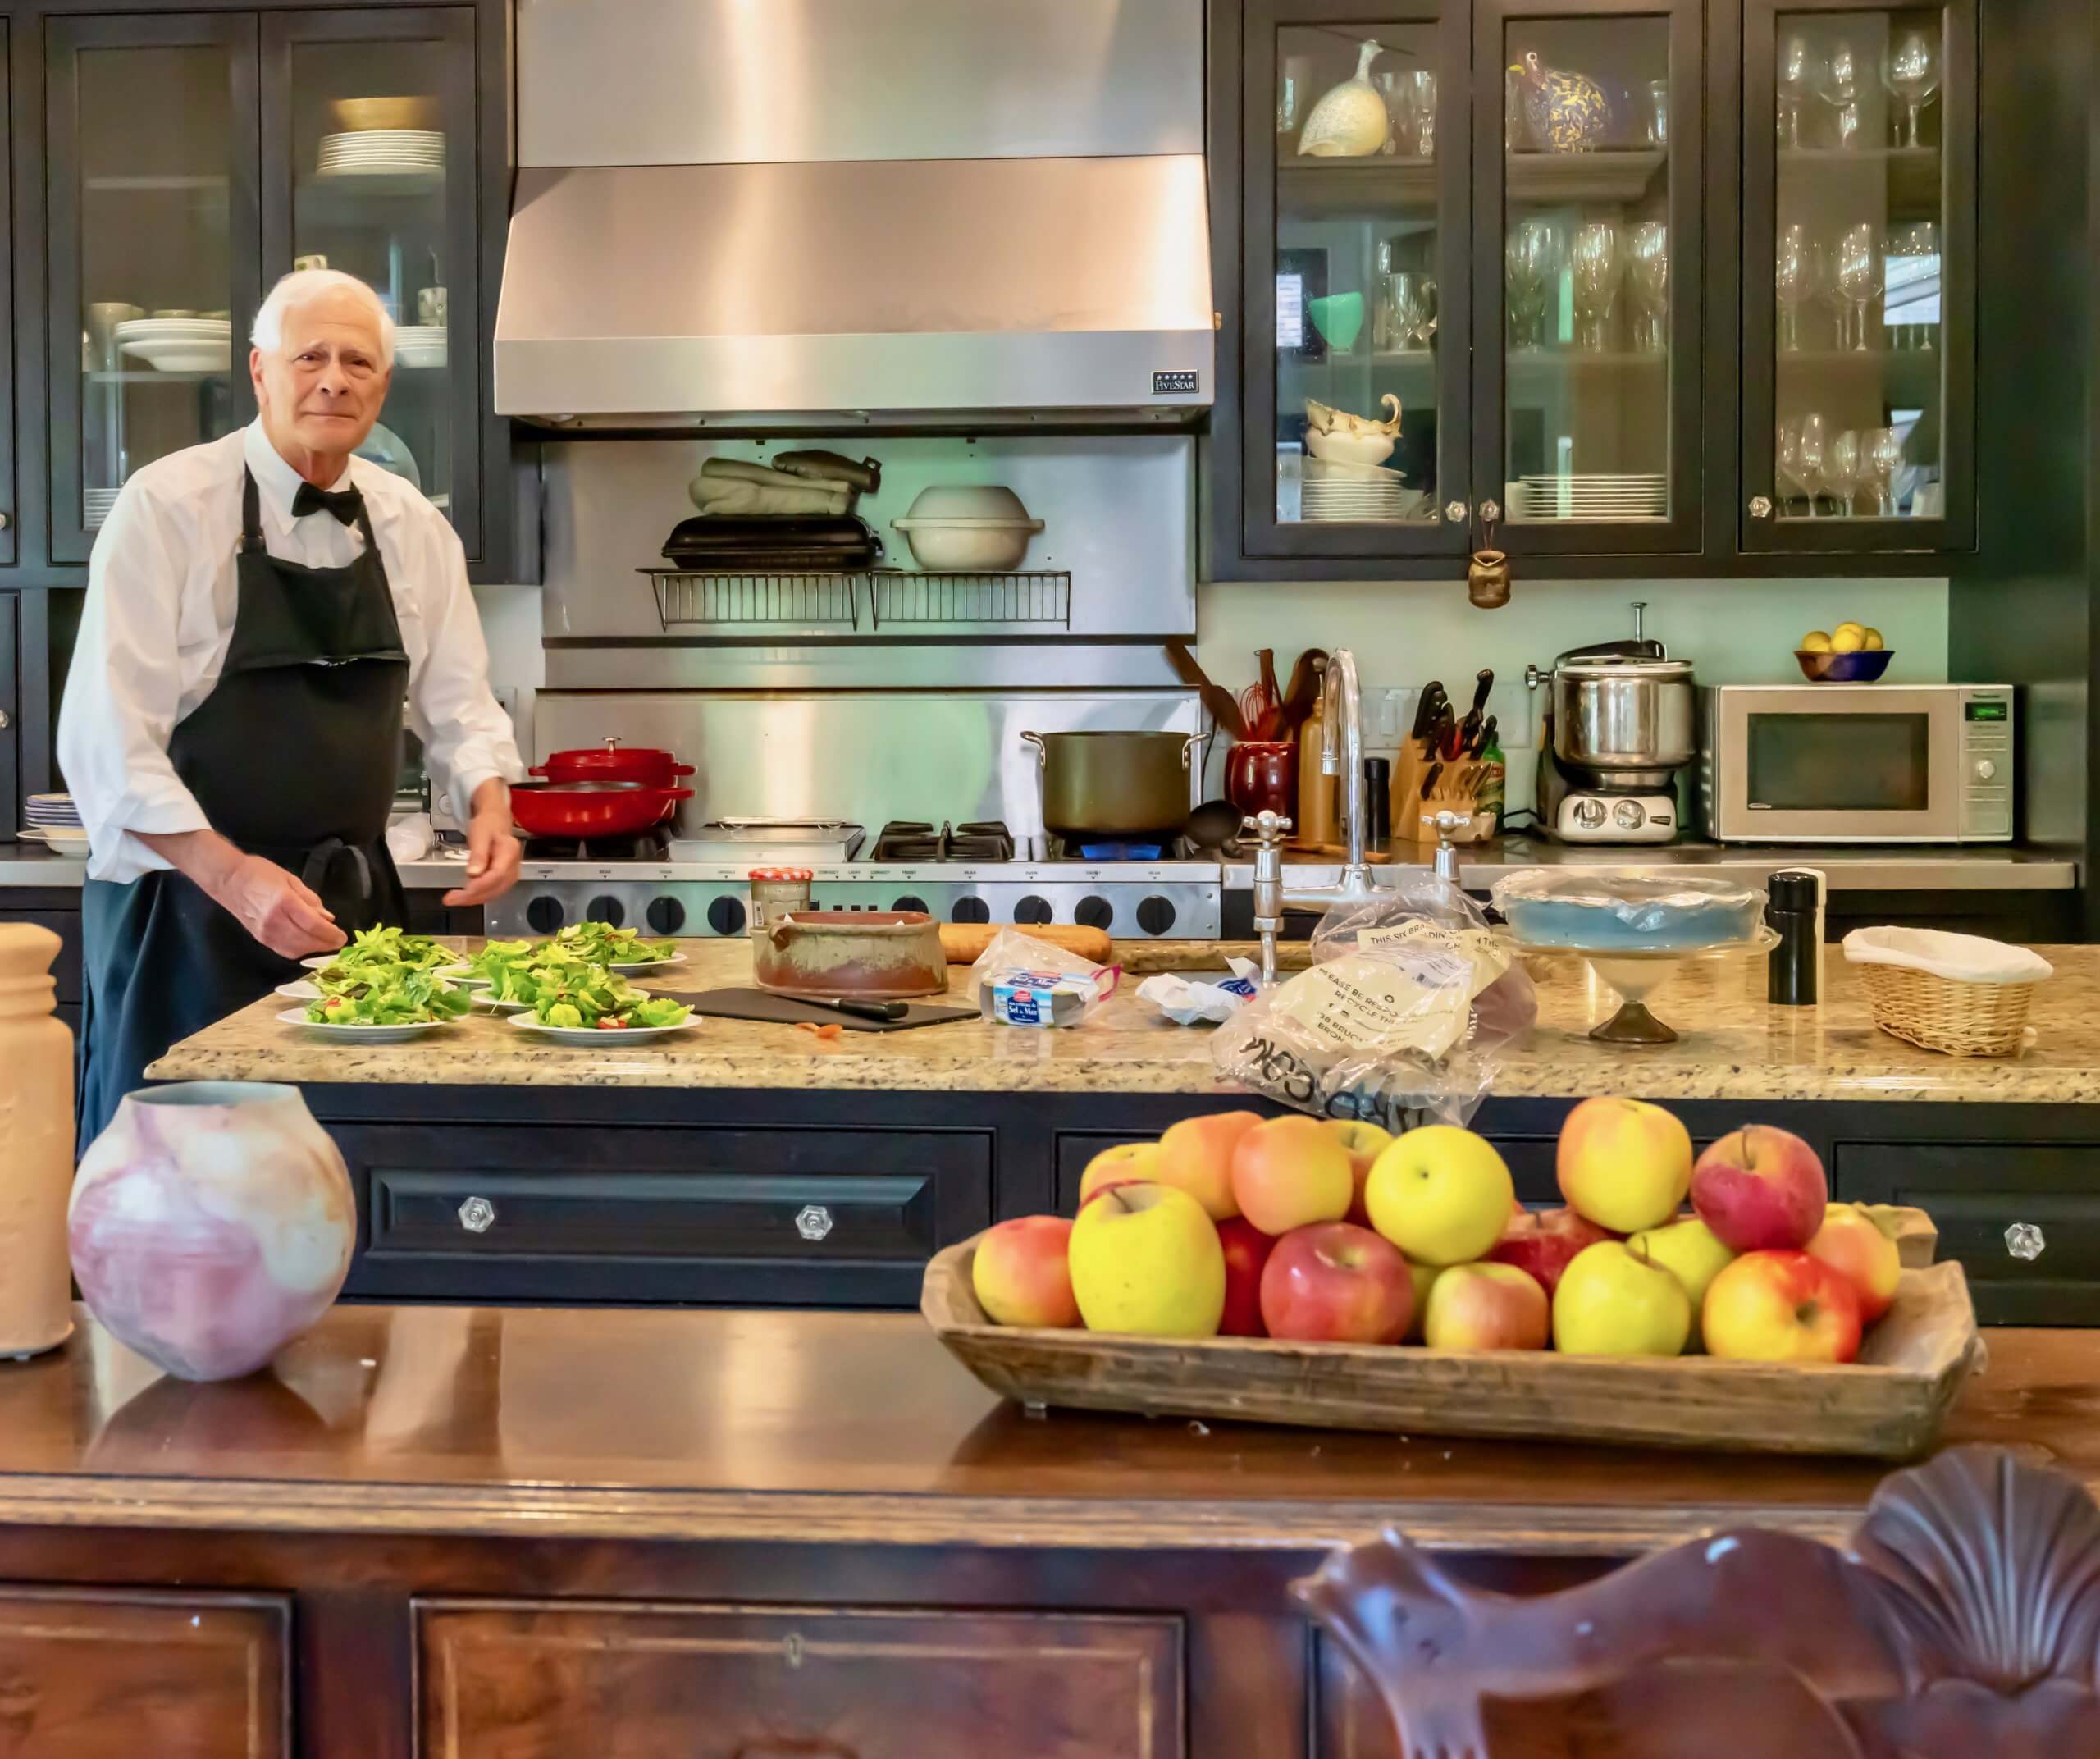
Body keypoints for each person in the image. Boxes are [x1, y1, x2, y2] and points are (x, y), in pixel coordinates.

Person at [61, 267, 524, 1142]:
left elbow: (460, 702)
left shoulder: (413, 525)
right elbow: (107, 745)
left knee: (343, 1171)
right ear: (260, 370)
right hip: (187, 915)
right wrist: (233, 877)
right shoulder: (163, 507)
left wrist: (491, 802)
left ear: (383, 386)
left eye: (357, 361)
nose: (334, 378)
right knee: (183, 1190)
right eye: (309, 354)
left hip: (349, 918)